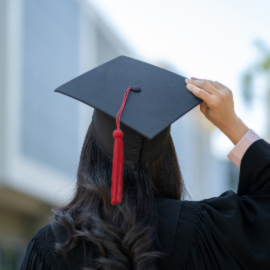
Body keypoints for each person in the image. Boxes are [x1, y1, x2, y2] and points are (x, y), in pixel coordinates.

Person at [20, 56, 270, 270]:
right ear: (167, 156)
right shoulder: (208, 232)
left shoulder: (51, 246)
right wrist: (233, 125)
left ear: (91, 152)